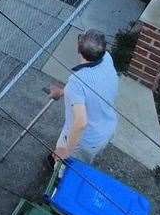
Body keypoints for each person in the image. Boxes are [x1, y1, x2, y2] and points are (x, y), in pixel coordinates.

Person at [48, 30, 119, 164]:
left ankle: (59, 172)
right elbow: (89, 90)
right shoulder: (107, 59)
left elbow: (80, 122)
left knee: (68, 166)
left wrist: (66, 152)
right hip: (106, 129)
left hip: (85, 139)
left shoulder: (77, 81)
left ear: (79, 50)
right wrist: (63, 92)